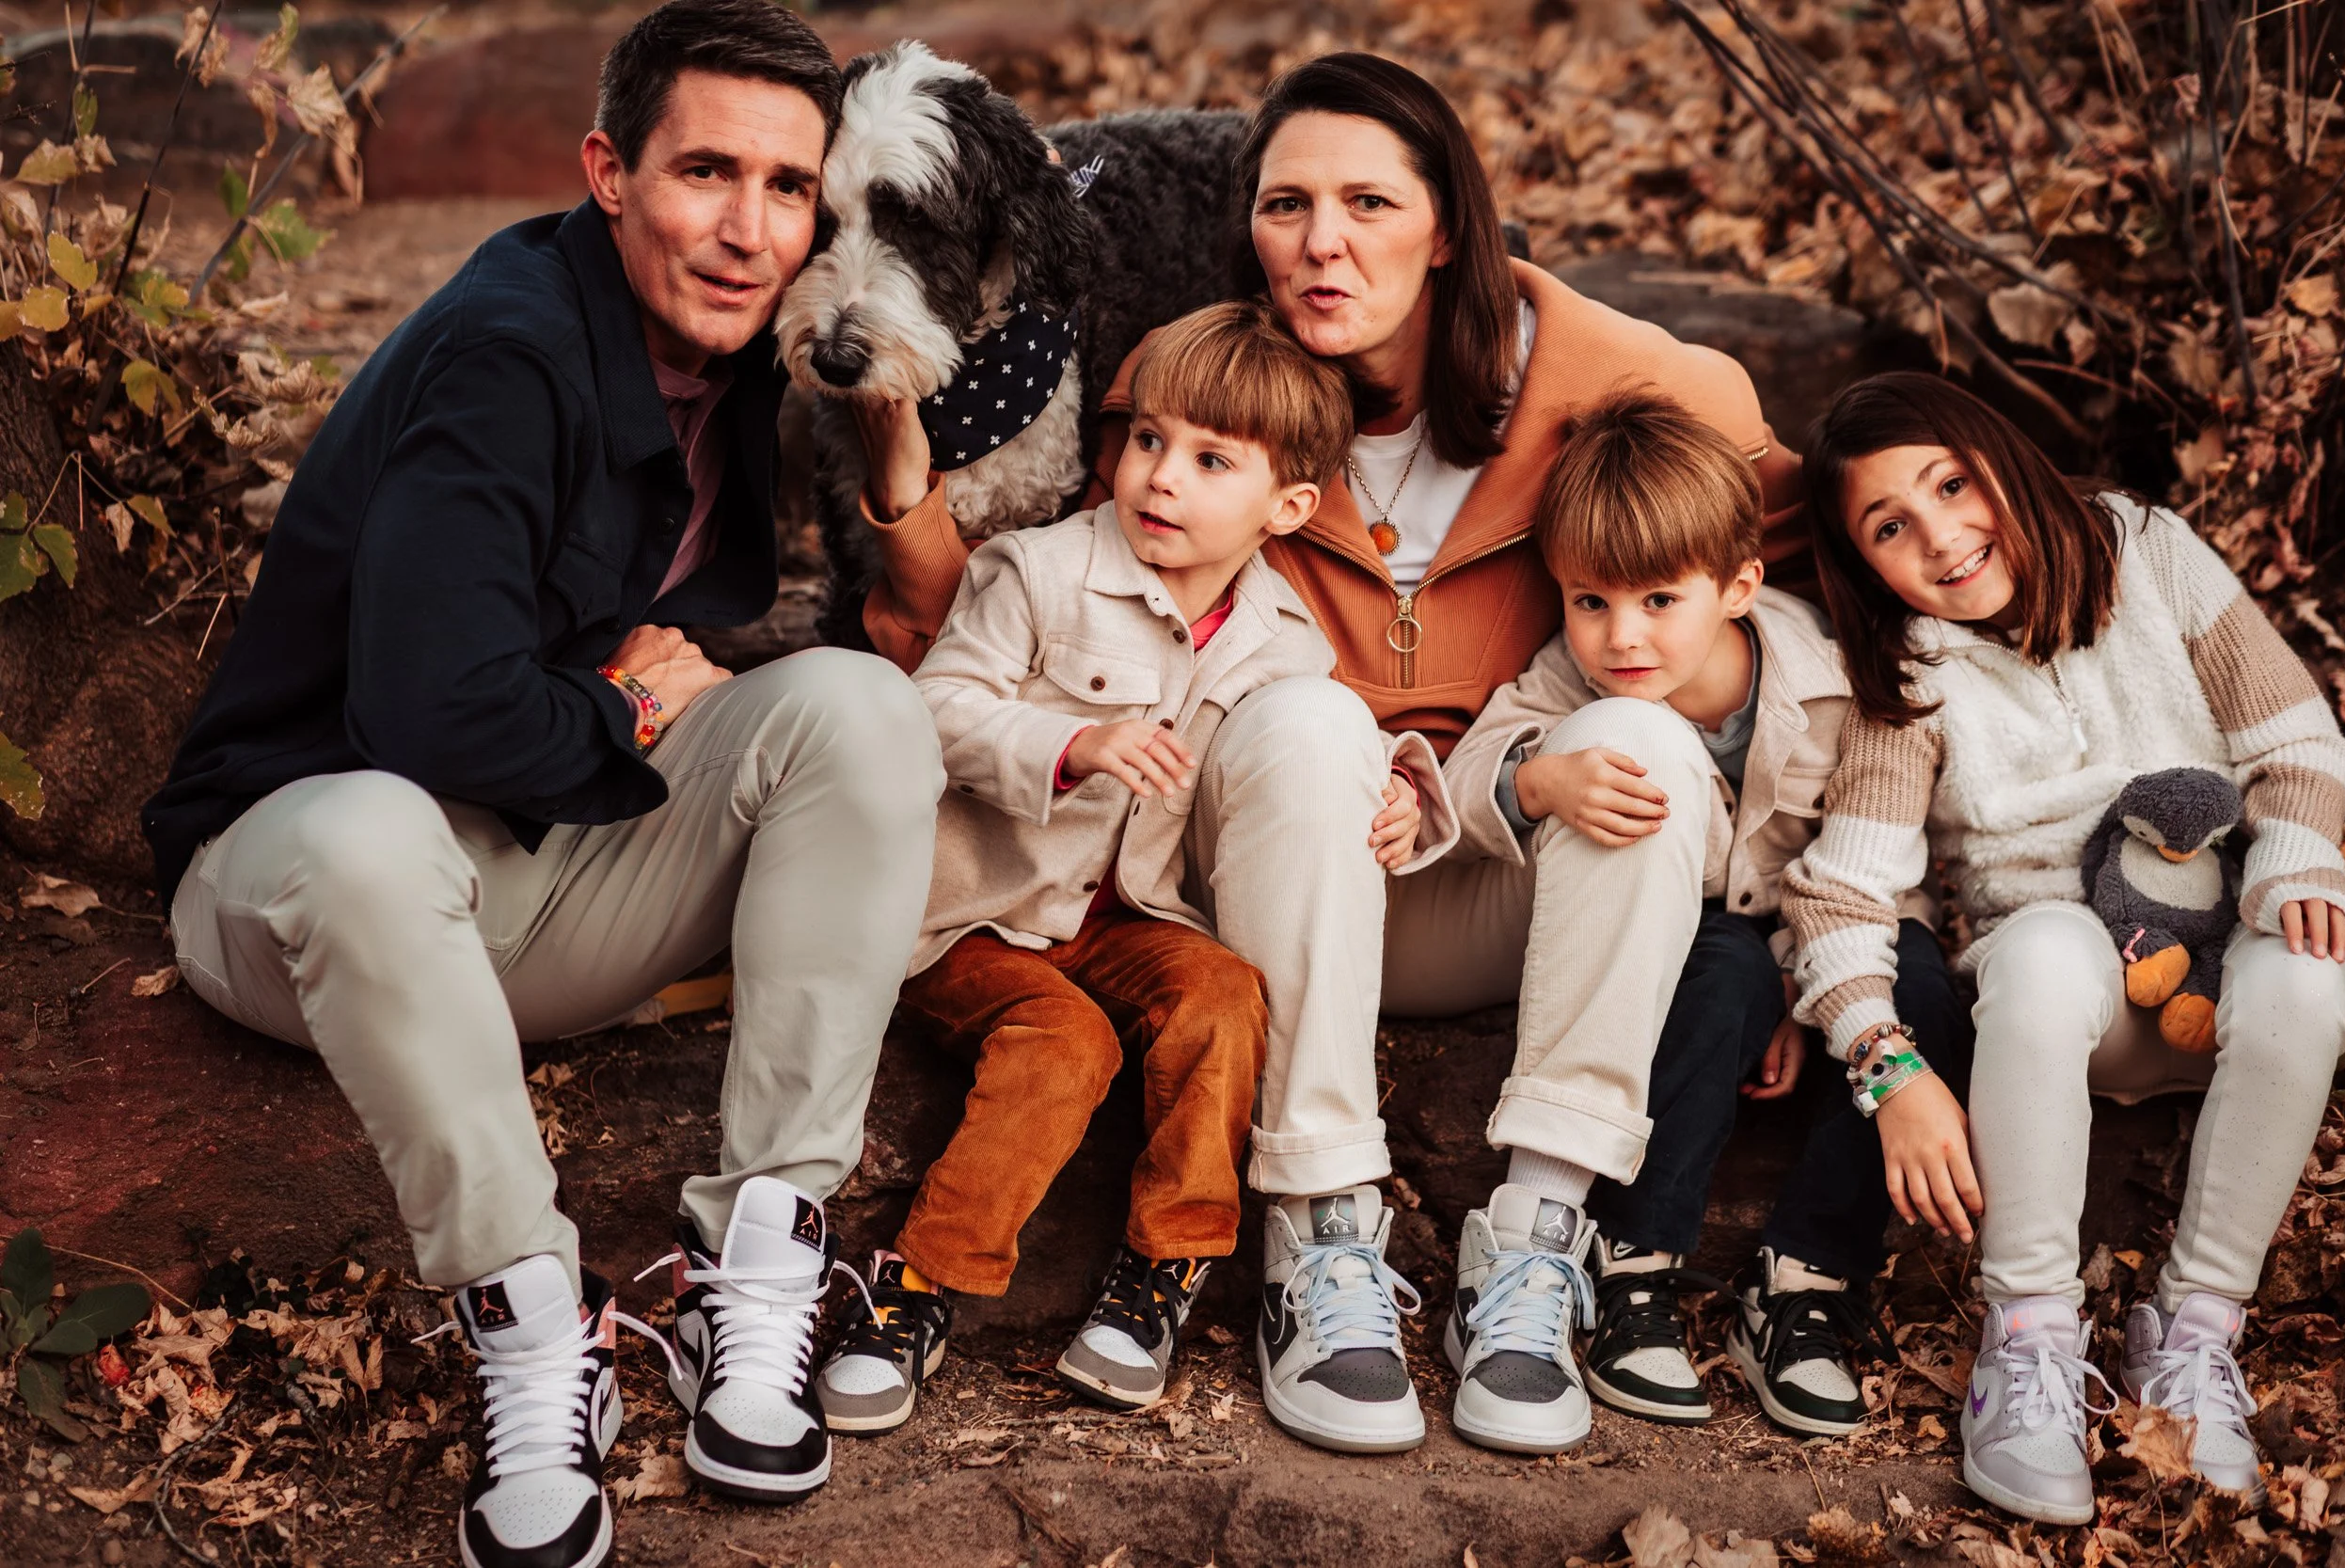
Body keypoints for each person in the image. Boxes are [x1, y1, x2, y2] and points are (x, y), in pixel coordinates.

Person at [848, 50, 1801, 1453]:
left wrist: (1802, 905)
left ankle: (1536, 1243)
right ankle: (1322, 1228)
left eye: (1369, 202)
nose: (1321, 242)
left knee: (1636, 738)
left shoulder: (1610, 376)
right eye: (1285, 205)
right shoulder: (1201, 392)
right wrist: (898, 484)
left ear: (1450, 226)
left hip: (1488, 870)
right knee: (1308, 715)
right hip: (1262, 866)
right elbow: (1018, 612)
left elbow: (1780, 575)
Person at [139, 3, 944, 1560]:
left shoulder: (737, 349)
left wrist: (889, 451)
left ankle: (758, 1266)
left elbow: (815, 623)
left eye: (787, 187)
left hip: (530, 874)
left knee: (861, 714)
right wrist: (627, 708)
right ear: (608, 172)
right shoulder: (510, 348)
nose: (747, 228)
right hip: (310, 892)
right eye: (705, 172)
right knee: (371, 833)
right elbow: (426, 709)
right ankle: (531, 1334)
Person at [815, 300, 1434, 1433]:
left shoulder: (1287, 639)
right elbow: (931, 707)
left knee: (1224, 997)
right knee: (1066, 1042)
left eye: (1211, 460)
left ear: (1288, 506)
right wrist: (1070, 742)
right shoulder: (1038, 571)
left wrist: (1394, 794)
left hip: (1131, 918)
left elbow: (1294, 767)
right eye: (1149, 439)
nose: (1161, 477)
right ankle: (919, 1280)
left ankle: (1161, 1270)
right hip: (982, 915)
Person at [1784, 371, 2345, 1523]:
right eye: (1889, 526)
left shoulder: (2146, 551)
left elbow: (2295, 740)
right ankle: (2029, 1338)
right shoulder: (1910, 674)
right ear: (1864, 563)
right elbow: (1841, 892)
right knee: (2044, 946)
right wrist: (1886, 1064)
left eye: (1951, 484)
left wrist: (2296, 853)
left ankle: (2193, 1334)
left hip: (2223, 965)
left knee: (2307, 972)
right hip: (2061, 1005)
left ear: (2000, 457)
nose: (1940, 536)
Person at [1435, 391, 1974, 1453]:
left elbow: (1876, 867)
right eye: (1589, 601)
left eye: (1657, 599)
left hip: (1826, 938)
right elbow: (1459, 784)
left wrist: (1809, 986)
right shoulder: (1570, 676)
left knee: (1920, 986)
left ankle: (1809, 1279)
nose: (1621, 635)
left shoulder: (1837, 685)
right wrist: (1539, 779)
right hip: (1689, 942)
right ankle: (1633, 1265)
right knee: (1720, 975)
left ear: (1737, 586)